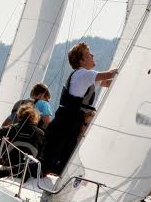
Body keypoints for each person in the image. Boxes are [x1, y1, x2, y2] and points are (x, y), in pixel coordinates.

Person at [41, 42, 117, 176]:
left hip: (69, 124)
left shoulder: (85, 77)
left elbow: (107, 83)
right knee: (48, 164)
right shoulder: (83, 74)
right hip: (64, 125)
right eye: (89, 54)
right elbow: (108, 75)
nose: (93, 55)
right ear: (82, 61)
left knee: (60, 162)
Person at [0, 103, 45, 182]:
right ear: (35, 118)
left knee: (2, 141)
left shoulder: (12, 128)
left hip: (9, 165)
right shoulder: (40, 133)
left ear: (19, 115)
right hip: (28, 170)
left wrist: (6, 128)